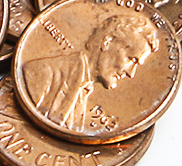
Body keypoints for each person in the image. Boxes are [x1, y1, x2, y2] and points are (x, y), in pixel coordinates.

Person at [21, 8, 159, 135]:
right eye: (131, 59)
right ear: (107, 42)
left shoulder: (85, 90)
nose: (131, 73)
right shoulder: (43, 73)